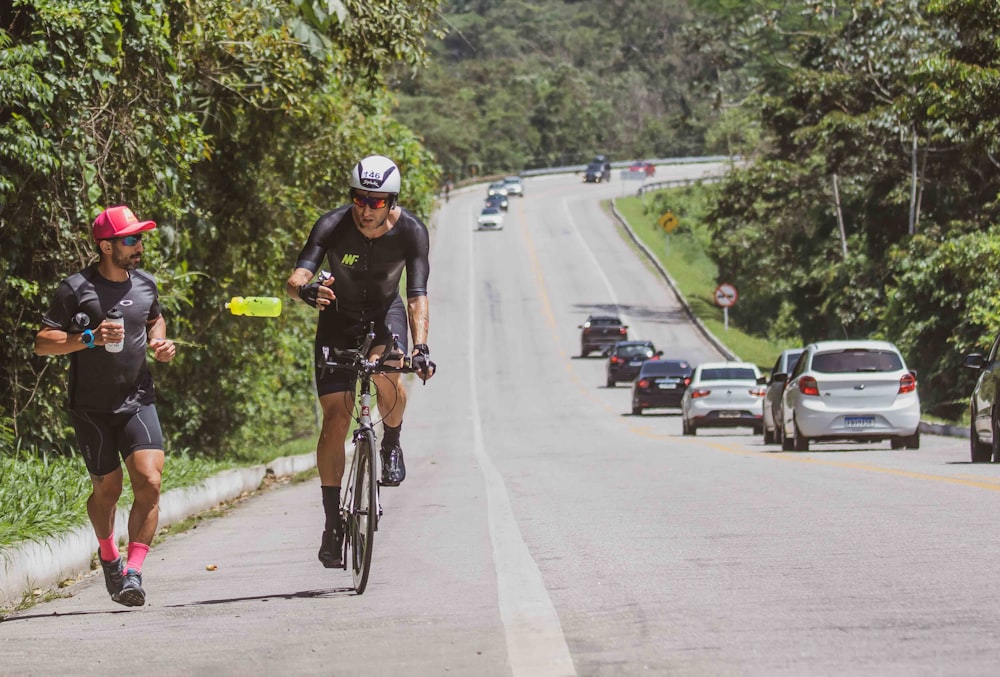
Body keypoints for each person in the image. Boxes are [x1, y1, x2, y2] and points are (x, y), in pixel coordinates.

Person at [286, 154, 436, 569]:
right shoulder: (332, 225)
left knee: (390, 378)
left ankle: (391, 443)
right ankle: (332, 524)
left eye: (376, 202)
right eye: (359, 199)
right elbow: (295, 277)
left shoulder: (411, 231)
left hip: (384, 316)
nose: (366, 209)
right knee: (335, 417)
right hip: (336, 320)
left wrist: (420, 348)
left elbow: (416, 294)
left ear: (392, 201)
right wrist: (308, 291)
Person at [34, 205, 177, 607]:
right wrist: (90, 338)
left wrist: (158, 343)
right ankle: (109, 555)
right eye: (130, 239)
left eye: (139, 238)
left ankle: (133, 571)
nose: (139, 246)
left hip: (137, 399)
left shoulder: (145, 284)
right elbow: (43, 342)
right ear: (105, 246)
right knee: (107, 491)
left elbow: (155, 319)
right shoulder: (76, 289)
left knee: (149, 481)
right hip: (91, 408)